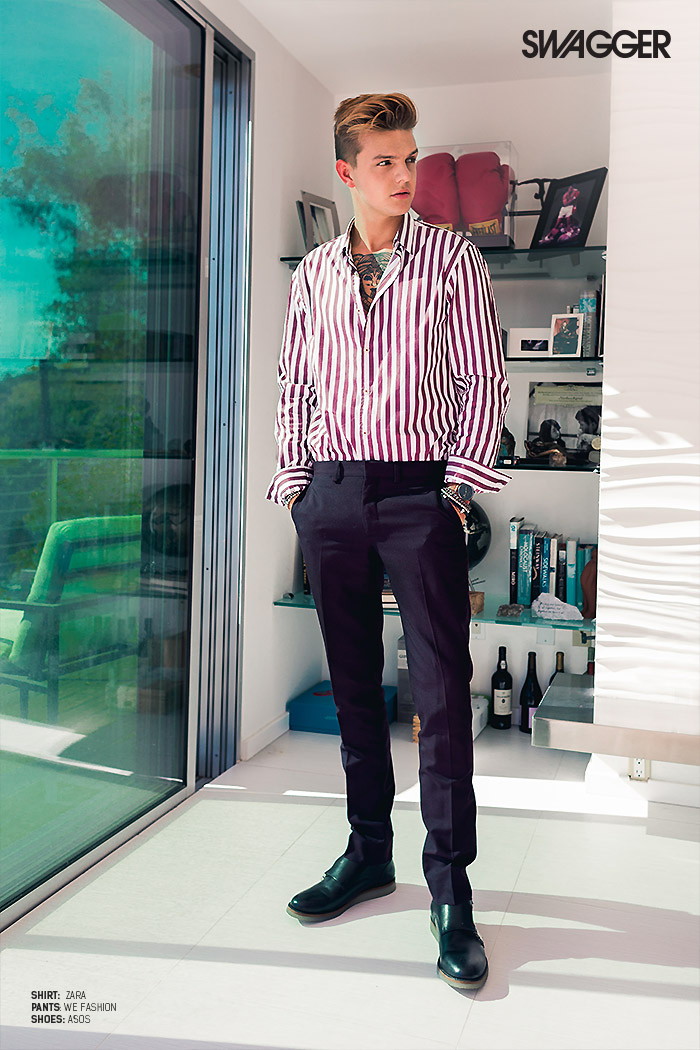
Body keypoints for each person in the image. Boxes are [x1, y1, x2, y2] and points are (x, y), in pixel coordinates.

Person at [266, 92, 510, 990]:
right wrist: (297, 489)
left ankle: (451, 891)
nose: (405, 175)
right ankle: (369, 853)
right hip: (331, 495)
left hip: (419, 494)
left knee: (441, 695)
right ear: (347, 172)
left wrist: (455, 490)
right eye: (386, 162)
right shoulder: (314, 274)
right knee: (354, 688)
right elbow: (294, 385)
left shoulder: (453, 258)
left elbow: (486, 378)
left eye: (411, 158)